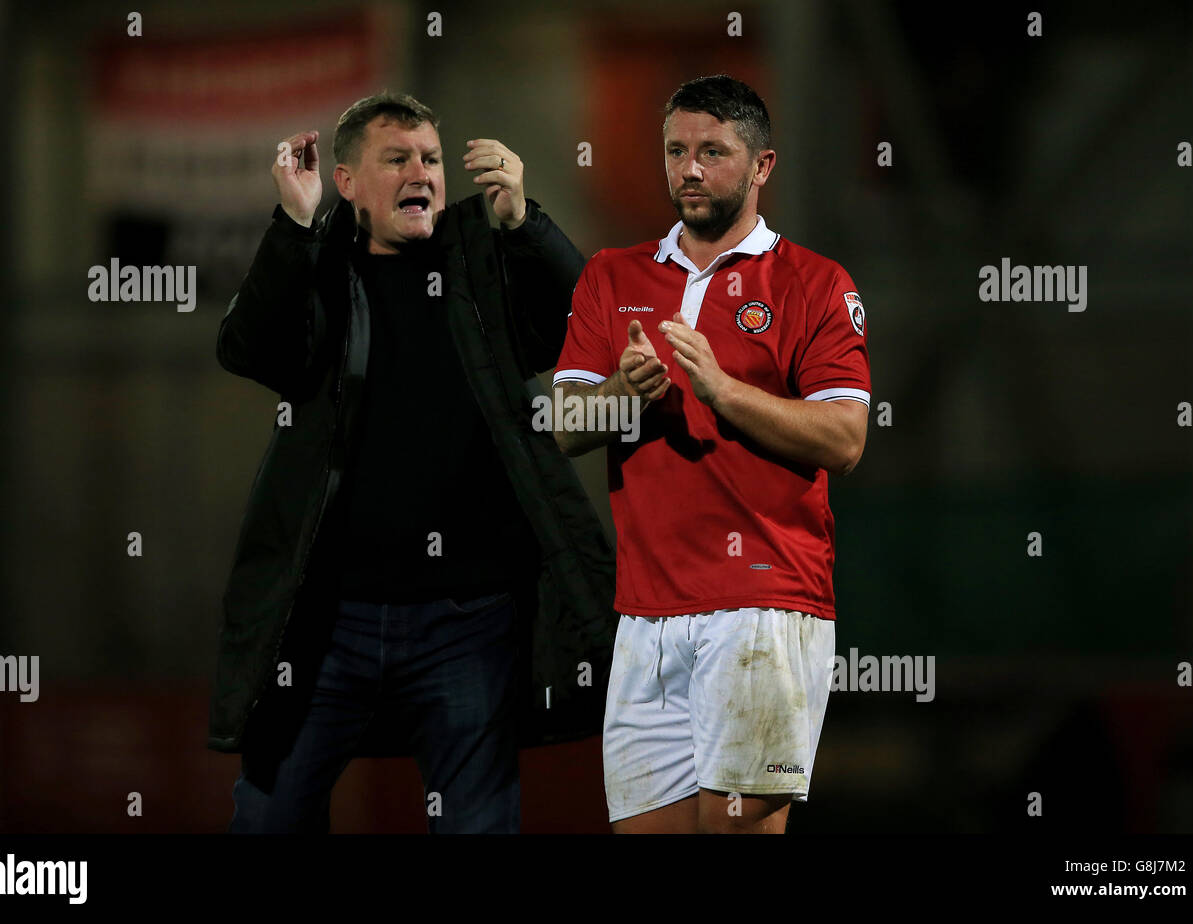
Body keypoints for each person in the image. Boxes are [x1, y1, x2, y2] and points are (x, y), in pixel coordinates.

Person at [209, 91, 615, 834]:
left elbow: (590, 320)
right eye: (396, 159)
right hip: (328, 623)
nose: (420, 172)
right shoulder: (319, 267)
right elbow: (248, 349)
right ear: (346, 182)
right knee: (268, 821)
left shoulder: (482, 265)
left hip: (469, 622)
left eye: (429, 158)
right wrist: (294, 225)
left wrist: (526, 221)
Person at [552, 75, 871, 834]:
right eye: (676, 150)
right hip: (645, 614)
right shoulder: (612, 275)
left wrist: (723, 392)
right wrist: (625, 390)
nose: (689, 169)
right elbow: (560, 425)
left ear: (761, 167)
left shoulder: (815, 284)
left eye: (713, 153)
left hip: (764, 601)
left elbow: (845, 438)